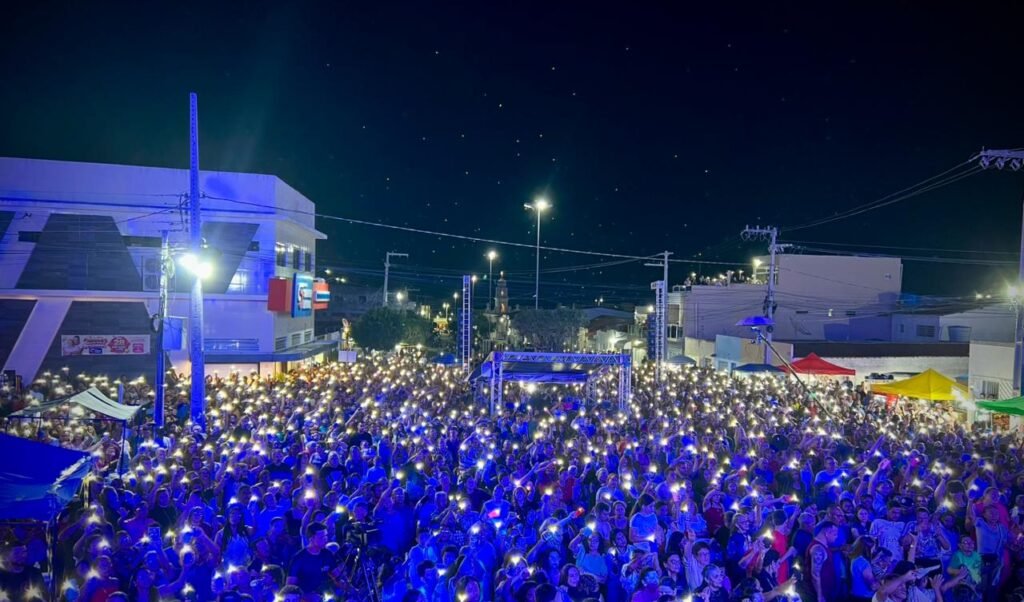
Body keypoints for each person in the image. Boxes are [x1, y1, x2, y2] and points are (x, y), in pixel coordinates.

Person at [287, 522, 337, 596]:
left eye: (326, 536)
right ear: (311, 538)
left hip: (325, 596)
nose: (326, 540)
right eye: (322, 537)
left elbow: (338, 576)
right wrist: (306, 597)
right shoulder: (298, 558)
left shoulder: (328, 554)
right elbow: (290, 588)